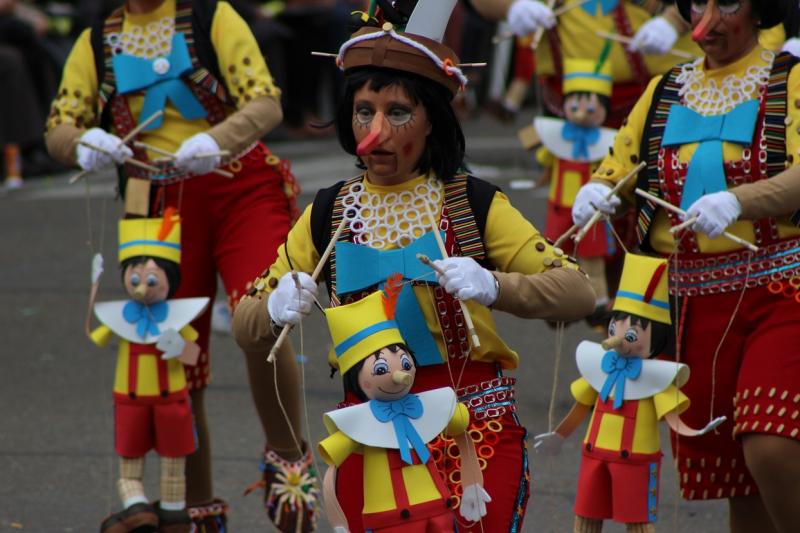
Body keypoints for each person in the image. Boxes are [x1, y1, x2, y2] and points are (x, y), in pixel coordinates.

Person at [232, 0, 596, 531]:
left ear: (432, 121)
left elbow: (578, 292)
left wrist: (495, 285)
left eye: (397, 113)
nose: (375, 131)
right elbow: (244, 324)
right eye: (364, 111)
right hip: (371, 436)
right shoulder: (329, 212)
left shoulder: (471, 203)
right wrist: (274, 305)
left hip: (472, 431)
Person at [44, 1, 312, 530]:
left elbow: (265, 103)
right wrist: (83, 143)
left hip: (241, 188)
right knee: (174, 358)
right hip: (156, 205)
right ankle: (191, 510)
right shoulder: (98, 37)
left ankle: (289, 462)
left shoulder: (211, 16)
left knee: (260, 320)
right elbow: (58, 126)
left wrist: (217, 139)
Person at [570, 0, 800, 530]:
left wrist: (743, 200)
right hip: (693, 305)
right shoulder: (666, 88)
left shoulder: (789, 79)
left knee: (771, 443)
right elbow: (622, 166)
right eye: (697, 3)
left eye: (728, 4)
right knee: (739, 478)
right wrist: (601, 192)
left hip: (781, 292)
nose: (707, 23)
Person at [534, 253, 724, 532]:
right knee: (586, 516)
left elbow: (673, 419)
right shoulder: (600, 367)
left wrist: (697, 432)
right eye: (615, 325)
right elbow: (580, 406)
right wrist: (559, 435)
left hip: (634, 459)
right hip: (594, 454)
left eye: (631, 332)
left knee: (637, 521)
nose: (618, 335)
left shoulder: (655, 379)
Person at [318, 279, 489, 532]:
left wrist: (473, 482)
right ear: (358, 379)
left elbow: (462, 432)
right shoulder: (359, 423)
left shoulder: (427, 405)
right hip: (390, 521)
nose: (400, 373)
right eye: (381, 367)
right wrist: (338, 521)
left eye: (405, 362)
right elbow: (332, 469)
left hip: (438, 511)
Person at [88, 213, 206, 532]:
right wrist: (93, 287)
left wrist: (178, 346)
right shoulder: (122, 316)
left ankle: (172, 516)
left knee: (172, 465)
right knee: (130, 463)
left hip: (170, 400)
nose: (142, 288)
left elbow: (195, 355)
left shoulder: (176, 316)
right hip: (130, 399)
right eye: (135, 278)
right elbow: (95, 334)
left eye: (151, 280)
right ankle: (138, 510)